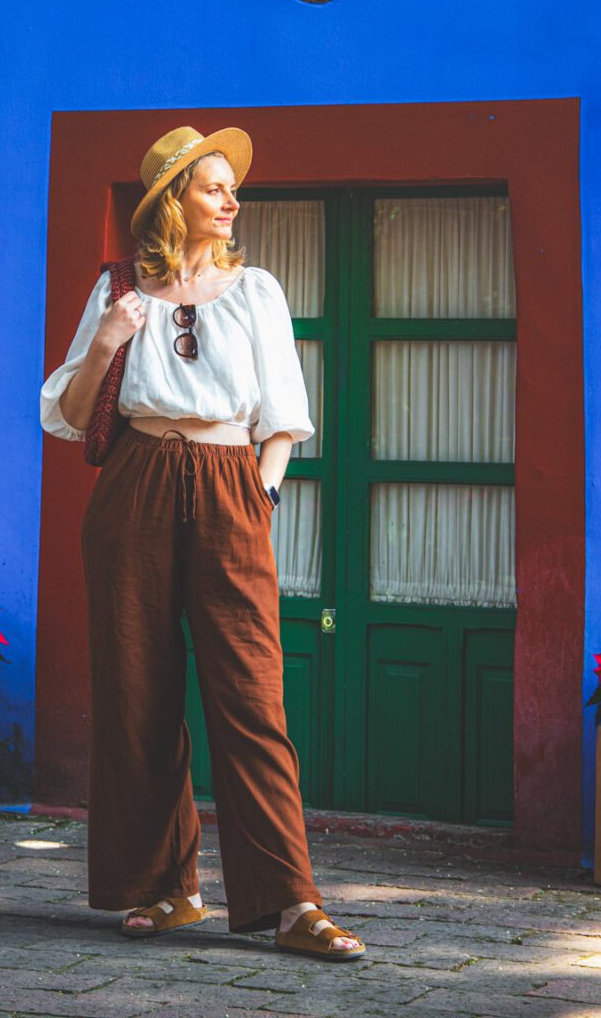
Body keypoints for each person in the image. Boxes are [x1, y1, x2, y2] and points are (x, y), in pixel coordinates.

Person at [40, 125, 365, 961]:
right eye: (213, 187)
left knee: (252, 696)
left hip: (229, 482)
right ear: (172, 200)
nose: (231, 200)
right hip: (136, 483)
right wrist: (108, 340)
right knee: (135, 688)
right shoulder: (119, 290)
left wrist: (261, 491)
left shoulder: (256, 290)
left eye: (230, 188)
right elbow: (71, 416)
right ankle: (165, 888)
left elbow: (284, 416)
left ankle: (291, 902)